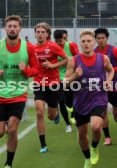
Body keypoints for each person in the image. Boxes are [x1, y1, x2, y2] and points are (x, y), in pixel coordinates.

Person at [0, 15, 38, 168]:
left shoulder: (29, 48)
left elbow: (36, 70)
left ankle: (8, 163)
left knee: (12, 130)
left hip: (18, 94)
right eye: (9, 26)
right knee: (0, 133)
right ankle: (5, 124)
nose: (12, 28)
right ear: (5, 28)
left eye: (15, 26)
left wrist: (25, 70)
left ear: (20, 28)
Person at [64, 29, 114, 167]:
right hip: (80, 101)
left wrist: (108, 81)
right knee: (81, 134)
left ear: (94, 42)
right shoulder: (73, 61)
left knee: (96, 126)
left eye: (89, 41)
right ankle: (87, 158)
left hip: (99, 98)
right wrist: (75, 76)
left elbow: (111, 70)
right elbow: (65, 83)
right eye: (83, 41)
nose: (86, 44)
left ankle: (94, 147)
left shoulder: (103, 59)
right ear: (80, 43)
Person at [33, 22, 69, 153]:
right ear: (35, 34)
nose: (40, 34)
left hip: (53, 84)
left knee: (51, 116)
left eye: (43, 32)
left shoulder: (53, 46)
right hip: (39, 84)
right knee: (39, 112)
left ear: (47, 34)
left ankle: (56, 113)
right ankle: (43, 145)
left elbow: (67, 59)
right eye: (38, 32)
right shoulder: (32, 48)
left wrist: (53, 65)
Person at [94, 28, 117, 146]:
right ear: (96, 40)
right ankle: (107, 137)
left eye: (102, 38)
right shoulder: (94, 52)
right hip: (102, 86)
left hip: (115, 84)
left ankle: (116, 113)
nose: (100, 40)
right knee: (102, 111)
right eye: (98, 38)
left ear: (106, 39)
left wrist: (112, 70)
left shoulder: (113, 50)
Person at [53, 29, 79, 132]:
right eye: (57, 41)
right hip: (57, 78)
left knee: (71, 101)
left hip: (71, 78)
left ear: (65, 38)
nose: (59, 43)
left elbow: (78, 59)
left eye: (61, 40)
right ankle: (68, 124)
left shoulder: (71, 46)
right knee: (61, 101)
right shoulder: (52, 48)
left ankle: (73, 112)